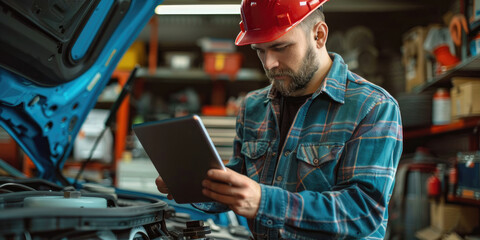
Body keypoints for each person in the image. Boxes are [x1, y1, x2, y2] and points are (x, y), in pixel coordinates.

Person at [156, 0, 403, 239]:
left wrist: (265, 201)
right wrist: (191, 185)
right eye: (260, 51)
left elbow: (363, 211)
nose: (270, 64)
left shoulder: (373, 107)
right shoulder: (253, 106)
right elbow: (241, 183)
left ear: (319, 35)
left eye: (280, 47)